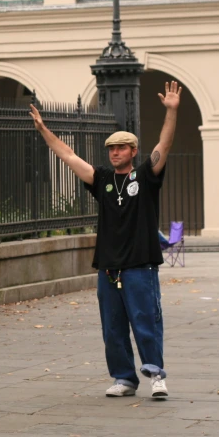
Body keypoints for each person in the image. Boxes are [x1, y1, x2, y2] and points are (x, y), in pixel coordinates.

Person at [30, 81, 182, 399]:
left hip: (140, 265)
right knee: (112, 327)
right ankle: (124, 378)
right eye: (111, 149)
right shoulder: (101, 180)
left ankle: (156, 374)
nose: (114, 153)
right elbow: (69, 156)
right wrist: (44, 130)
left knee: (146, 321)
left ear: (133, 151)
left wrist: (171, 112)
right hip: (109, 267)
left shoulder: (145, 175)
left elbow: (164, 147)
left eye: (121, 148)